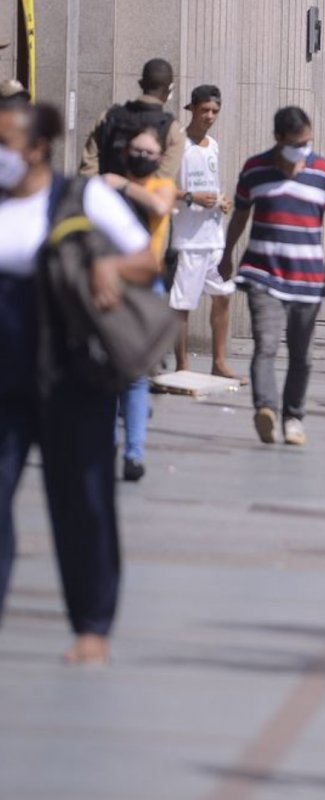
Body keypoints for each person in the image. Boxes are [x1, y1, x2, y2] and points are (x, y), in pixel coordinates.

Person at [0, 102, 157, 665]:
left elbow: (147, 262)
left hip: (72, 376)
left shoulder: (80, 198)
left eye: (6, 144)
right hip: (5, 378)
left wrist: (109, 267)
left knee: (82, 500)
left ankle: (92, 625)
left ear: (38, 147)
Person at [219, 106, 325, 447]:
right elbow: (241, 214)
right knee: (266, 346)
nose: (304, 149)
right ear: (279, 139)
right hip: (262, 273)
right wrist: (226, 253)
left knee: (303, 355)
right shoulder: (255, 169)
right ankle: (266, 409)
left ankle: (293, 417)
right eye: (298, 143)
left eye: (308, 142)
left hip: (307, 278)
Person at [103, 127, 176, 482]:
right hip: (108, 285)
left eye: (149, 153)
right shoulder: (103, 187)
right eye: (137, 150)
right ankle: (104, 447)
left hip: (147, 288)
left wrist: (120, 185)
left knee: (134, 377)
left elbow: (160, 207)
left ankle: (134, 453)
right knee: (105, 373)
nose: (142, 157)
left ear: (160, 159)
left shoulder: (160, 186)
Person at [169, 84, 239, 379]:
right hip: (187, 237)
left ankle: (219, 361)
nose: (209, 116)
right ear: (193, 109)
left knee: (223, 295)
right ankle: (182, 363)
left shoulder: (214, 145)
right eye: (205, 110)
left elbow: (213, 182)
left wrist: (222, 201)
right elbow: (162, 186)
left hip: (214, 234)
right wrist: (191, 197)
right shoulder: (177, 145)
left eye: (215, 111)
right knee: (182, 303)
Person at [79, 58, 186, 180]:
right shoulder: (173, 130)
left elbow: (87, 171)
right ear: (170, 89)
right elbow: (162, 180)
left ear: (140, 83)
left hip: (105, 195)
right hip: (147, 198)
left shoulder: (107, 117)